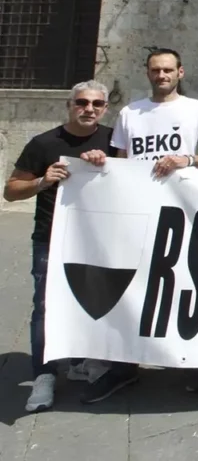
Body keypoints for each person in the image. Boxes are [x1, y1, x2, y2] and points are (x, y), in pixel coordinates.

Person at [85, 47, 198, 401]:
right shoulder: (130, 113)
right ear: (147, 73)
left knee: (186, 286)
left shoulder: (196, 110)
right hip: (138, 214)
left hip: (182, 213)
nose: (161, 75)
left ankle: (194, 363)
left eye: (167, 70)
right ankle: (123, 366)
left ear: (180, 72)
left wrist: (184, 159)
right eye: (155, 70)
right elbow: (120, 163)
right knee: (131, 288)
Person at [4, 82, 118, 412]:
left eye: (97, 104)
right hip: (51, 237)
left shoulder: (114, 142)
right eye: (81, 102)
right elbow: (11, 191)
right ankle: (44, 374)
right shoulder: (43, 143)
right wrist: (43, 181)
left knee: (92, 301)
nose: (89, 108)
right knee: (45, 305)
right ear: (69, 105)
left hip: (96, 240)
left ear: (105, 108)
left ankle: (81, 361)